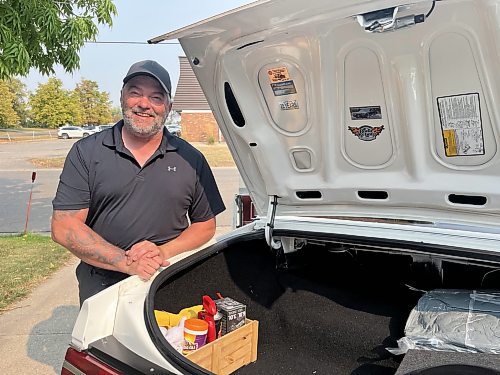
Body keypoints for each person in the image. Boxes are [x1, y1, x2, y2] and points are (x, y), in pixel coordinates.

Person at [51, 60, 226, 306]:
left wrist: (162, 252)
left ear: (169, 106)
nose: (144, 104)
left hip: (169, 279)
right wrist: (125, 261)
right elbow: (64, 226)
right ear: (122, 97)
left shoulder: (191, 158)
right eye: (135, 93)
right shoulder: (87, 152)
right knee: (103, 347)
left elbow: (205, 225)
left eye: (156, 97)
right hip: (102, 286)